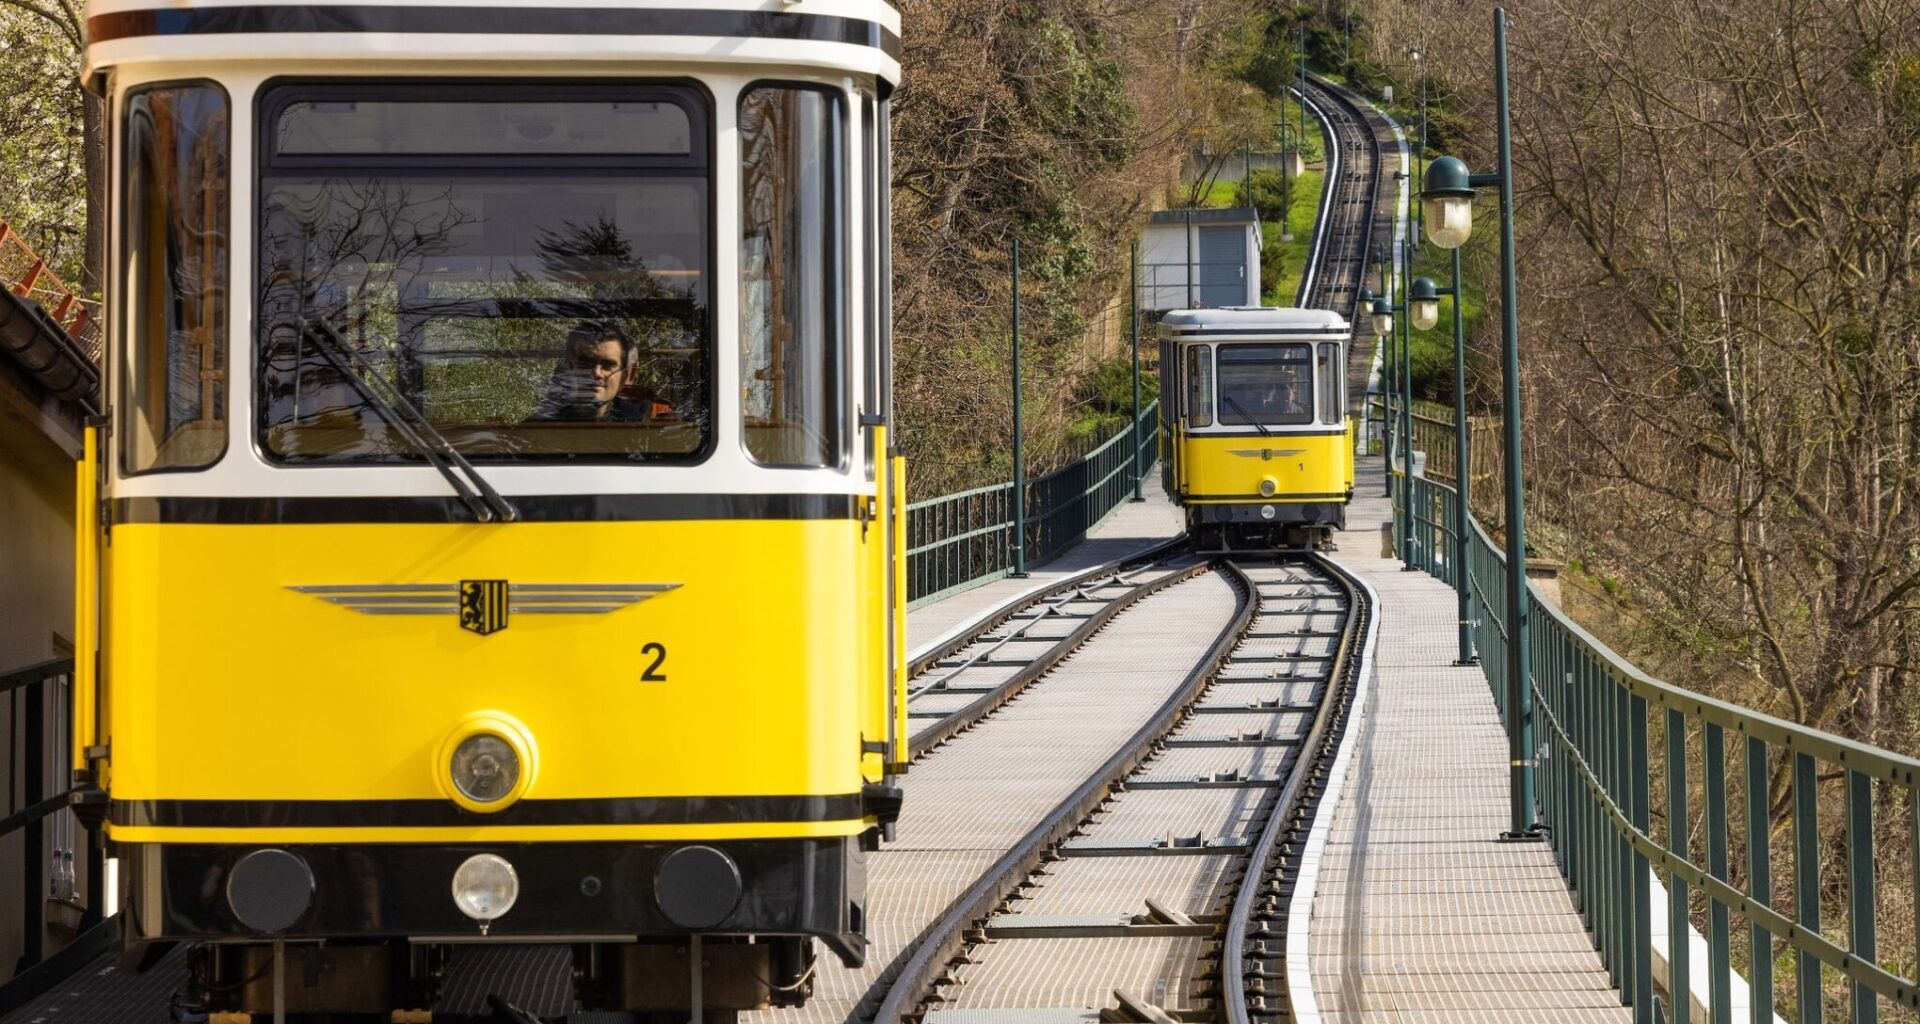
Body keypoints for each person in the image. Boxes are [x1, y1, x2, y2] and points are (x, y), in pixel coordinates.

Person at [531, 321, 664, 422]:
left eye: (608, 365)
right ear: (570, 369)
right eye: (586, 363)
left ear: (623, 378)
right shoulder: (536, 432)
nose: (597, 372)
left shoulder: (642, 433)